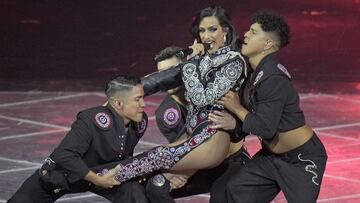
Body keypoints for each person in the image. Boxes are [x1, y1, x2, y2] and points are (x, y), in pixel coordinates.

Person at [98, 6, 248, 188]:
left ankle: (79, 177)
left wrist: (191, 63)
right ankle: (76, 178)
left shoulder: (234, 61)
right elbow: (159, 79)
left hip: (214, 139)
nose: (206, 36)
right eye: (202, 31)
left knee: (152, 159)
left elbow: (202, 99)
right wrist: (124, 94)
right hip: (193, 136)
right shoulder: (202, 60)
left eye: (212, 29)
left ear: (225, 30)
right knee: (150, 173)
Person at [216, 11, 327, 202]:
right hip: (271, 157)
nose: (247, 34)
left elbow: (265, 128)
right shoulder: (253, 71)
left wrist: (236, 108)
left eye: (253, 32)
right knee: (235, 190)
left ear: (267, 44)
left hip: (301, 160)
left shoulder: (273, 77)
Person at [8, 76, 149, 203]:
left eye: (143, 97)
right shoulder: (90, 119)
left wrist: (132, 171)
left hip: (104, 172)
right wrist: (97, 179)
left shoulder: (140, 122)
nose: (143, 104)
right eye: (137, 99)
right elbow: (64, 155)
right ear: (118, 103)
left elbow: (122, 151)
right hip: (64, 175)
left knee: (134, 190)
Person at [145, 46, 250, 203]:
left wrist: (234, 124)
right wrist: (182, 174)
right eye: (162, 74)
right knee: (154, 186)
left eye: (172, 71)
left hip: (230, 161)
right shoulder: (166, 114)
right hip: (198, 166)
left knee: (223, 195)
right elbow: (184, 150)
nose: (167, 78)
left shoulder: (212, 89)